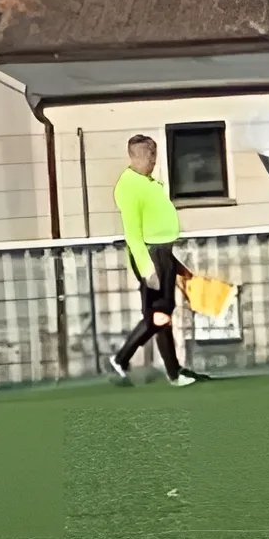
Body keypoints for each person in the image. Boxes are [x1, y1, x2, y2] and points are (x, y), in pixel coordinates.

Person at [110, 134, 205, 386]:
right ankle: (122, 359)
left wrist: (175, 265)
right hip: (151, 255)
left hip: (162, 253)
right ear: (138, 156)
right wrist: (147, 268)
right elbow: (133, 233)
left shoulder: (149, 183)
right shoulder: (129, 186)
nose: (153, 160)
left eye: (154, 154)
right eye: (150, 155)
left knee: (163, 313)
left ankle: (174, 372)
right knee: (158, 313)